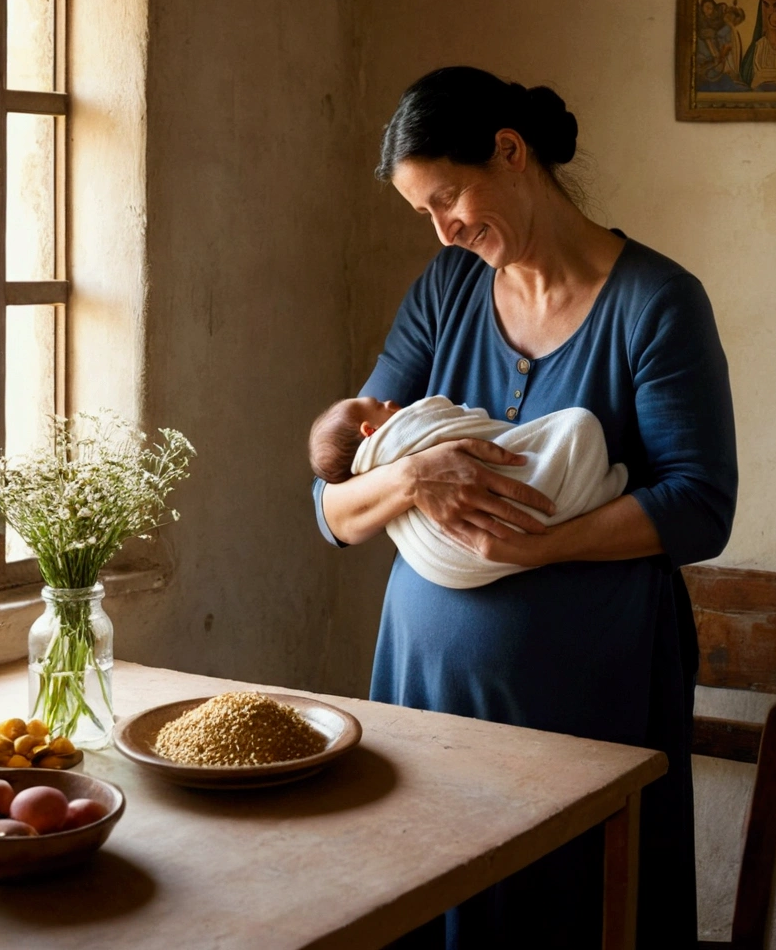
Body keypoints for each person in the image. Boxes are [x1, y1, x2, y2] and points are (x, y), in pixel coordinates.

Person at [311, 66, 738, 950]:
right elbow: (335, 499)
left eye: (450, 197)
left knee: (571, 913)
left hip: (586, 706)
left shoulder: (655, 304)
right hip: (425, 696)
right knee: (428, 910)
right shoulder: (447, 290)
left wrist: (536, 548)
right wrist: (412, 480)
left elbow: (700, 507)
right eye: (424, 213)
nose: (445, 229)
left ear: (511, 152)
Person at [309, 393, 628, 589]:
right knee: (578, 428)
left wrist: (539, 549)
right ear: (370, 432)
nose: (390, 402)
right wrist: (410, 476)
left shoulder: (649, 307)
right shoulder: (439, 299)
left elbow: (677, 502)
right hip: (431, 644)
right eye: (379, 404)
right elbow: (329, 504)